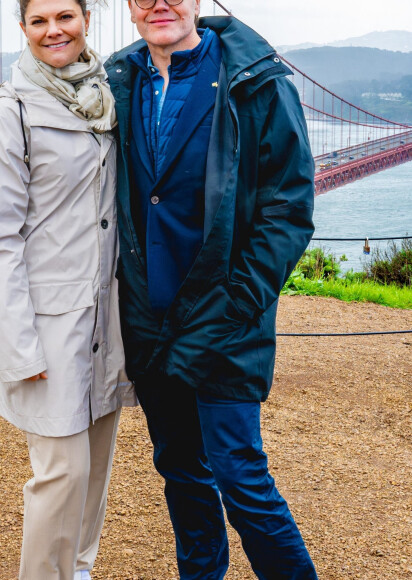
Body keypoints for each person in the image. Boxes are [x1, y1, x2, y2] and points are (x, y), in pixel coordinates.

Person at [104, 1, 318, 578]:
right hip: (148, 319)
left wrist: (241, 301)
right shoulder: (117, 80)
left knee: (240, 475)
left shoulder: (259, 82)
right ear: (128, 7)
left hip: (226, 314)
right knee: (181, 473)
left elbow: (289, 208)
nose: (159, 3)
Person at [0, 1, 136, 578]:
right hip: (47, 326)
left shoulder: (104, 97)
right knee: (60, 475)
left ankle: (80, 570)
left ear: (86, 20)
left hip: (105, 318)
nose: (54, 30)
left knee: (94, 466)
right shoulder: (7, 119)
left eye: (66, 16)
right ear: (23, 30)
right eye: (39, 20)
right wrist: (18, 348)